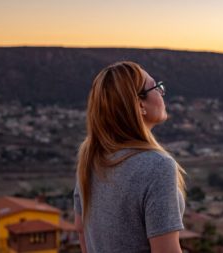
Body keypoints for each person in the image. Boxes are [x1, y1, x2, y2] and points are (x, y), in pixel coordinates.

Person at [73, 61, 186, 253]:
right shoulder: (157, 166)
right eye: (156, 87)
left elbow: (82, 233)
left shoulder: (91, 158)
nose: (162, 93)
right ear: (140, 104)